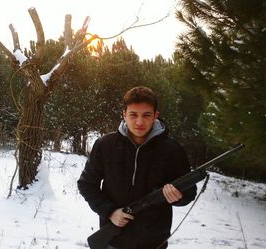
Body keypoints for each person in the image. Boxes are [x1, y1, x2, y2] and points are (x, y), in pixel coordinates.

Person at [77, 86, 197, 249]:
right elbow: (86, 184)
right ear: (124, 115)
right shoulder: (105, 145)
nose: (139, 122)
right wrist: (110, 212)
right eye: (133, 115)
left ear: (156, 115)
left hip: (154, 243)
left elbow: (189, 193)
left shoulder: (172, 150)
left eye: (146, 115)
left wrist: (178, 197)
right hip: (113, 241)